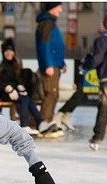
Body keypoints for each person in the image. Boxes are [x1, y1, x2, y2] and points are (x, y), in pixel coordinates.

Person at [0, 38, 60, 137]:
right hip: (3, 93)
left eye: (11, 50)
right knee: (24, 99)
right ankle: (25, 125)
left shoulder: (15, 63)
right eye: (6, 51)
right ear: (3, 52)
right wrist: (9, 89)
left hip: (14, 92)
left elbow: (16, 79)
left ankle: (40, 123)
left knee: (27, 98)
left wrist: (20, 87)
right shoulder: (1, 65)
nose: (9, 53)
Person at [83, 11, 107, 150]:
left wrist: (86, 65)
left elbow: (96, 59)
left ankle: (97, 139)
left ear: (105, 25)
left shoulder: (102, 40)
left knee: (103, 108)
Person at [35, 2, 66, 131]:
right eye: (59, 6)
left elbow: (55, 46)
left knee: (54, 94)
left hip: (55, 64)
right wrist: (48, 64)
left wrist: (61, 63)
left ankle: (49, 121)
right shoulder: (46, 23)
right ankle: (44, 122)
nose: (61, 10)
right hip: (50, 66)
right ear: (52, 8)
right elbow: (44, 45)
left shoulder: (51, 22)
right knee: (50, 93)